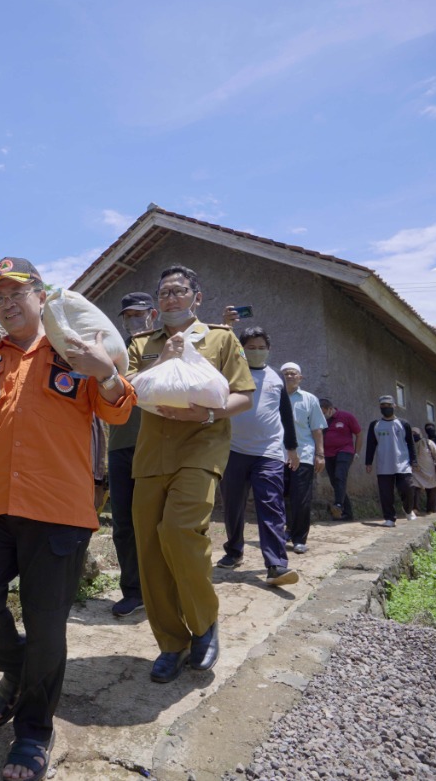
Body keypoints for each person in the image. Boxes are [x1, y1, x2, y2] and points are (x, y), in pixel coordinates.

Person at [0, 257, 134, 781]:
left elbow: (117, 409)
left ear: (41, 295)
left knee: (47, 625)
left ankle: (32, 734)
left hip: (59, 510)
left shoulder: (73, 347)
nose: (7, 304)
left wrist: (106, 372)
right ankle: (21, 667)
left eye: (16, 293)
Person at [126, 265, 254, 684]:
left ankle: (203, 625)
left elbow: (243, 395)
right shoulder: (142, 344)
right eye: (164, 293)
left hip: (202, 447)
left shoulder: (221, 338)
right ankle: (171, 643)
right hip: (149, 457)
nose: (171, 299)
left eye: (179, 291)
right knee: (149, 549)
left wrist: (211, 412)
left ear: (197, 298)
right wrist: (161, 360)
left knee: (180, 531)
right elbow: (126, 391)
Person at [217, 328, 299, 584]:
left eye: (261, 346)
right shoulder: (229, 375)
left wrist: (292, 449)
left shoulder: (276, 379)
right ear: (241, 349)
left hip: (269, 452)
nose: (256, 351)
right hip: (233, 450)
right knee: (232, 505)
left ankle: (276, 564)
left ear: (268, 349)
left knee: (271, 504)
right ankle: (234, 550)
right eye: (250, 347)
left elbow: (286, 416)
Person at [107, 291, 158, 617]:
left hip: (156, 444)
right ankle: (133, 590)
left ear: (152, 314)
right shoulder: (114, 353)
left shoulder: (166, 346)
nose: (133, 321)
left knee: (157, 522)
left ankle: (162, 590)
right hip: (119, 445)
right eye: (128, 316)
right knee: (123, 524)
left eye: (139, 314)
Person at [280, 362, 326, 554]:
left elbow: (317, 429)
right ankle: (287, 532)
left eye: (293, 374)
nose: (289, 376)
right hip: (276, 455)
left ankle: (299, 538)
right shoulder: (273, 397)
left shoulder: (310, 399)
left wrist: (320, 454)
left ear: (300, 378)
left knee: (301, 498)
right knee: (280, 497)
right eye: (285, 374)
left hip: (303, 455)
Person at [364, 396, 417, 526]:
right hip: (384, 464)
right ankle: (389, 518)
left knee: (407, 487)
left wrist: (414, 460)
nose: (385, 408)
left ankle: (408, 510)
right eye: (383, 406)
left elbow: (411, 443)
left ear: (394, 406)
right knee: (386, 493)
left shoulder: (404, 424)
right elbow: (371, 444)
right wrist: (368, 462)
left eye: (388, 405)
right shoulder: (375, 425)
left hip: (402, 463)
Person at [319, 398, 362, 521]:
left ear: (330, 409)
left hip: (345, 451)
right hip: (328, 454)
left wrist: (357, 453)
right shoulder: (320, 420)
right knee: (336, 482)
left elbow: (359, 434)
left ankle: (338, 504)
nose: (322, 415)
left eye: (323, 412)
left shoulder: (346, 416)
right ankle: (347, 514)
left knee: (339, 476)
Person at [410, 429, 436, 513]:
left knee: (432, 490)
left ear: (420, 434)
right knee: (414, 488)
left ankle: (431, 510)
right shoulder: (408, 444)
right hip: (416, 471)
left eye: (415, 433)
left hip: (430, 471)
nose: (413, 435)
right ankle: (415, 509)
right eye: (411, 433)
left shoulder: (428, 443)